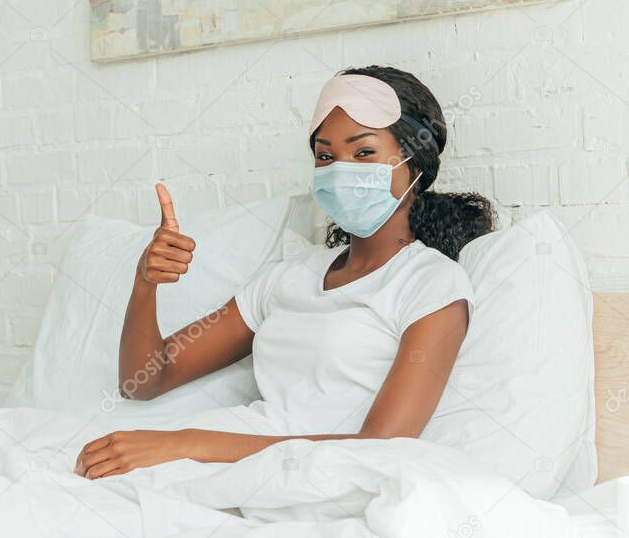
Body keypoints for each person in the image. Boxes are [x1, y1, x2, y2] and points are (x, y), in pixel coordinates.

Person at [74, 65, 496, 479]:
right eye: (325, 156)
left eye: (363, 152)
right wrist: (145, 282)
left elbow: (381, 446)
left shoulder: (432, 283)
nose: (340, 169)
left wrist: (190, 443)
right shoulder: (288, 278)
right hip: (230, 465)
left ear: (413, 160)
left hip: (309, 482)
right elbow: (144, 379)